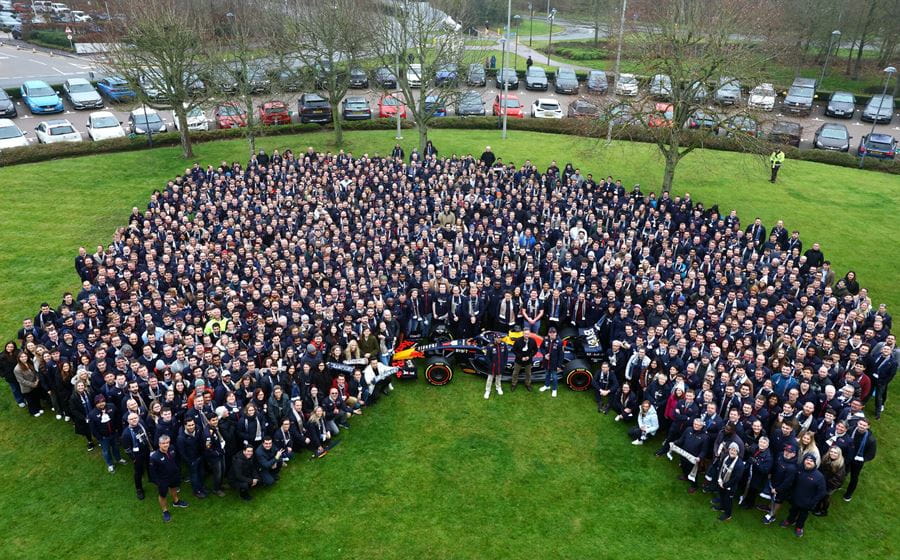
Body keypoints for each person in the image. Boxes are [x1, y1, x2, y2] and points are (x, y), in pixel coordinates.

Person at [782, 453, 826, 537]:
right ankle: (790, 521)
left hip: (807, 502)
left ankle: (799, 527)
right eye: (807, 460)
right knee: (792, 511)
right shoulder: (799, 469)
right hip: (795, 498)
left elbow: (822, 492)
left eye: (811, 461)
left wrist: (812, 502)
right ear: (803, 461)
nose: (808, 462)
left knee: (803, 515)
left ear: (814, 463)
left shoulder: (819, 476)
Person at [148, 434, 188, 522]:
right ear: (159, 444)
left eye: (167, 442)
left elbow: (176, 460)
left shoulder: (172, 449)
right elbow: (152, 473)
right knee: (163, 495)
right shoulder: (154, 457)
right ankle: (165, 511)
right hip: (163, 480)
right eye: (163, 443)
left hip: (173, 476)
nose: (166, 445)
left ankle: (176, 501)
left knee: (174, 488)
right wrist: (158, 483)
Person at [120, 412, 152, 500]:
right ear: (128, 421)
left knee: (149, 465)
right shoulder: (126, 434)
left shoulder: (141, 425)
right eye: (131, 419)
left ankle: (151, 478)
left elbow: (147, 434)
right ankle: (139, 489)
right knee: (138, 472)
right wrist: (133, 458)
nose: (134, 420)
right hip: (137, 455)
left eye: (135, 418)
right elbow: (127, 449)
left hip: (146, 450)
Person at [88, 394, 125, 473]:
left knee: (116, 447)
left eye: (103, 401)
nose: (101, 404)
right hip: (104, 437)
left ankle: (118, 459)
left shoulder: (111, 406)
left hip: (114, 434)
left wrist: (117, 429)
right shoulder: (92, 414)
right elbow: (93, 429)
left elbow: (117, 417)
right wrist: (99, 438)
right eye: (98, 402)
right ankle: (110, 464)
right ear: (95, 404)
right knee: (106, 451)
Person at [843, 418, 876, 502]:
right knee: (843, 471)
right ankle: (838, 483)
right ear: (857, 423)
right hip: (846, 456)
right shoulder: (850, 430)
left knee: (854, 477)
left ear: (868, 427)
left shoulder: (871, 439)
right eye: (860, 424)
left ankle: (848, 494)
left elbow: (871, 454)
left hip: (857, 461)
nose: (861, 426)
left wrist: (863, 459)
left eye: (864, 425)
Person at [711, 442, 745, 521]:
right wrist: (719, 480)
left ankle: (728, 514)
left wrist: (725, 485)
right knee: (722, 495)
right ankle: (722, 506)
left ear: (737, 452)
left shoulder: (739, 465)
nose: (732, 452)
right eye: (731, 449)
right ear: (729, 450)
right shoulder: (726, 457)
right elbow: (721, 467)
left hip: (730, 486)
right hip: (722, 482)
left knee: (728, 500)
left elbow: (736, 478)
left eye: (735, 450)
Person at [813, 446, 846, 516]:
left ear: (839, 455)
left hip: (830, 485)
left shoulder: (840, 465)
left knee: (825, 498)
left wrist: (826, 486)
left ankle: (824, 511)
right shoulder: (826, 458)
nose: (832, 454)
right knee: (819, 495)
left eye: (835, 453)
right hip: (823, 481)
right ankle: (817, 507)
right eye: (831, 451)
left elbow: (838, 480)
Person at [510, 327, 538, 392]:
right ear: (523, 333)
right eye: (525, 334)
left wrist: (529, 356)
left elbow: (535, 350)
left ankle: (528, 384)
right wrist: (520, 357)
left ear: (529, 334)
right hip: (519, 360)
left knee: (528, 373)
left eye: (528, 334)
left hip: (528, 360)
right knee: (515, 373)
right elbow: (513, 350)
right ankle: (513, 384)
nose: (526, 335)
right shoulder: (518, 340)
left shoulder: (532, 341)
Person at [539, 327, 564, 397]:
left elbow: (561, 355)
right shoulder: (545, 339)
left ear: (556, 333)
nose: (552, 334)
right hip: (547, 362)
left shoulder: (559, 342)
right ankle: (546, 386)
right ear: (548, 333)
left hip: (554, 364)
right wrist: (545, 355)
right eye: (550, 333)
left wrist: (559, 365)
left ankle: (554, 389)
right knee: (547, 374)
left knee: (554, 377)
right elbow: (541, 348)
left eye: (553, 333)